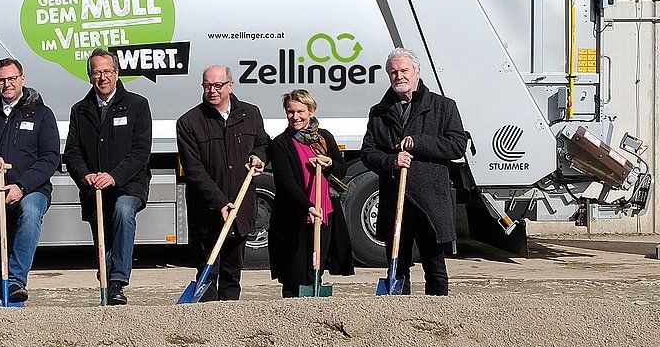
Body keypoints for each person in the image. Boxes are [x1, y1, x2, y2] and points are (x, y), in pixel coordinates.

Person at [361, 47, 467, 295]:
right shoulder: (379, 112)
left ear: (417, 71)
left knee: (435, 265)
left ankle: (439, 318)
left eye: (404, 70)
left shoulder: (443, 107)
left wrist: (419, 142)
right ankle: (400, 318)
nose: (399, 76)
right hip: (395, 201)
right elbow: (368, 152)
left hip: (430, 201)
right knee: (397, 267)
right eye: (393, 72)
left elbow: (457, 145)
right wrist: (391, 161)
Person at [0, 58, 61, 303]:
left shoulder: (41, 114)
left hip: (32, 189)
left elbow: (51, 157)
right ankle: (10, 302)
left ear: (22, 79)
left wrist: (22, 186)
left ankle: (17, 279)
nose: (7, 84)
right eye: (2, 80)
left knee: (29, 213)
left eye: (12, 79)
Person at [63, 48, 152, 305]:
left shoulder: (137, 105)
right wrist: (86, 176)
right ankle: (108, 277)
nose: (103, 77)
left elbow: (141, 151)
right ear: (90, 76)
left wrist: (114, 177)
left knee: (123, 212)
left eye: (107, 71)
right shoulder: (80, 110)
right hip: (94, 189)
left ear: (117, 73)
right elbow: (72, 152)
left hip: (129, 185)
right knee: (103, 238)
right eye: (97, 72)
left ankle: (117, 281)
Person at [175, 65, 269, 301]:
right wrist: (219, 203)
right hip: (207, 213)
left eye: (218, 86)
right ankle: (206, 329)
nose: (212, 91)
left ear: (230, 86)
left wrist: (259, 156)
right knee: (207, 276)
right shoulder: (189, 122)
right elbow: (194, 170)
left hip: (240, 208)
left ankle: (230, 325)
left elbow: (263, 143)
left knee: (232, 274)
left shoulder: (251, 114)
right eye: (207, 86)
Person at [269, 89, 354, 297]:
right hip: (295, 216)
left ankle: (314, 311)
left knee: (316, 267)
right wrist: (308, 206)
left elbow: (341, 170)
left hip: (324, 212)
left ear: (311, 111)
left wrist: (329, 163)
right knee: (295, 274)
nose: (295, 117)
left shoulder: (324, 138)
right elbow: (285, 182)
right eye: (290, 112)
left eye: (300, 111)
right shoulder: (281, 143)